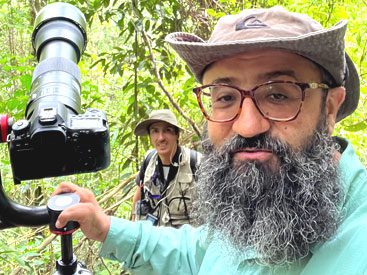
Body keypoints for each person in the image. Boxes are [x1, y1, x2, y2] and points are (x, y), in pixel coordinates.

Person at [53, 6, 367, 274]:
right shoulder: (255, 203)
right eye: (226, 97)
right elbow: (199, 253)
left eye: (278, 94)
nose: (246, 126)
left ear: (329, 108)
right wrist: (106, 228)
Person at [131, 109, 202, 227]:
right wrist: (134, 223)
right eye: (155, 131)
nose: (161, 138)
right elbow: (139, 193)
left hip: (184, 242)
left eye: (167, 130)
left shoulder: (195, 162)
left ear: (177, 134)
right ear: (150, 136)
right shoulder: (149, 160)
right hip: (152, 239)